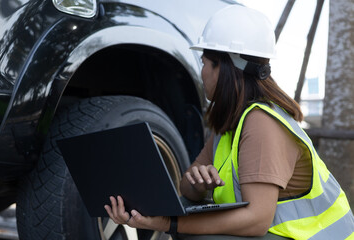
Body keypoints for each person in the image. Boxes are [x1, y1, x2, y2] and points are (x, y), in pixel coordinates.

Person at [104, 5, 354, 239]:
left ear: (223, 67)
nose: (202, 71)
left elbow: (256, 220)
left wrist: (169, 224)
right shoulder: (233, 123)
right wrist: (197, 184)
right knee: (186, 210)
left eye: (204, 63)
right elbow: (186, 188)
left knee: (196, 232)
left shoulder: (262, 123)